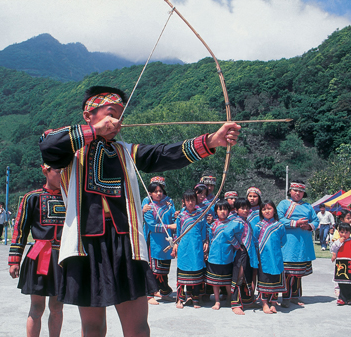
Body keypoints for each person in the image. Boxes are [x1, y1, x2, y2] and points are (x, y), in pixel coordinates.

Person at [39, 86, 240, 336]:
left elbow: (164, 153)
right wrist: (95, 131)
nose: (116, 121)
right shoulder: (71, 151)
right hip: (85, 245)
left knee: (138, 328)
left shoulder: (127, 151)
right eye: (110, 112)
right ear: (87, 115)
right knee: (92, 327)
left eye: (119, 115)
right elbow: (48, 146)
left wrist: (210, 141)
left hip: (127, 243)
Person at [8, 164, 65, 337]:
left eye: (66, 171)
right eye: (59, 171)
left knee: (57, 307)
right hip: (39, 255)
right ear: (45, 171)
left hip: (62, 259)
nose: (63, 175)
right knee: (36, 306)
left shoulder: (71, 197)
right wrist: (14, 259)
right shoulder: (32, 197)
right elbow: (20, 228)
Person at [277, 180, 318, 308]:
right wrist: (296, 223)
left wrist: (309, 226)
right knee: (288, 274)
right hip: (288, 245)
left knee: (298, 274)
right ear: (290, 191)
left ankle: (295, 296)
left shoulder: (308, 206)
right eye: (295, 190)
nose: (298, 193)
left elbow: (316, 220)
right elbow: (278, 219)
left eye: (301, 191)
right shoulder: (284, 204)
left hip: (302, 245)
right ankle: (286, 298)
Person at [172, 190, 208, 309]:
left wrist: (205, 242)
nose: (190, 202)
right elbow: (178, 232)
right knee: (182, 274)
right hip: (184, 247)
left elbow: (204, 230)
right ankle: (180, 299)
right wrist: (176, 244)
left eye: (192, 199)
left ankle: (195, 298)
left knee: (197, 273)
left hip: (196, 247)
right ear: (184, 202)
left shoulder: (201, 215)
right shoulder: (181, 216)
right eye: (188, 200)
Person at [143, 176, 176, 305]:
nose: (158, 193)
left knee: (164, 268)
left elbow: (173, 218)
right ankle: (149, 294)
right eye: (155, 191)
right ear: (150, 192)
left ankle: (163, 291)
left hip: (166, 240)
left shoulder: (169, 203)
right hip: (154, 240)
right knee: (153, 269)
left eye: (160, 190)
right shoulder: (148, 205)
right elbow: (151, 225)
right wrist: (169, 226)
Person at [226, 198, 259, 315]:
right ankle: (235, 304)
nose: (245, 210)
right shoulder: (237, 221)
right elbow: (227, 233)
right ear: (236, 209)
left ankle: (246, 301)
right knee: (238, 277)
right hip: (241, 252)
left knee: (246, 276)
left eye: (247, 208)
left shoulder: (246, 221)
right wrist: (236, 245)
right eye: (242, 208)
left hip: (248, 252)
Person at [254, 200, 286, 314]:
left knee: (275, 279)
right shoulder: (258, 226)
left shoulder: (279, 225)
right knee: (264, 279)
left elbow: (283, 240)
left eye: (269, 208)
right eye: (264, 209)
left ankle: (273, 303)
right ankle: (264, 303)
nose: (266, 211)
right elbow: (255, 240)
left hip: (276, 256)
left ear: (274, 210)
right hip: (263, 257)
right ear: (261, 212)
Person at [206, 199, 235, 310]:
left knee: (227, 281)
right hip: (214, 257)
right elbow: (210, 240)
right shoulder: (213, 225)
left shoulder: (232, 224)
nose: (222, 211)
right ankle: (217, 301)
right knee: (215, 282)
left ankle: (229, 298)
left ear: (228, 211)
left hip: (228, 257)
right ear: (216, 211)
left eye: (225, 209)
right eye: (220, 209)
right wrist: (207, 253)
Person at [330, 219, 351, 306]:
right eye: (342, 232)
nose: (343, 234)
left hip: (349, 264)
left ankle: (350, 298)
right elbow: (333, 249)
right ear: (339, 232)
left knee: (349, 283)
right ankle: (341, 298)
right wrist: (338, 244)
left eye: (346, 232)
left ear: (350, 233)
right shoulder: (337, 242)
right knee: (341, 283)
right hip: (340, 264)